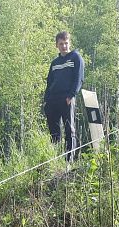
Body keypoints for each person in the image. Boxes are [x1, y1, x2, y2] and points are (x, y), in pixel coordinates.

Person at [43, 31, 85, 162]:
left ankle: (69, 160)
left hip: (67, 98)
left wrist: (71, 95)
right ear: (56, 45)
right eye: (61, 44)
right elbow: (49, 81)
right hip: (52, 100)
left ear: (69, 43)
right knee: (54, 131)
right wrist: (46, 100)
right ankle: (55, 159)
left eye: (66, 43)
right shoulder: (55, 63)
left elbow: (79, 78)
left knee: (69, 129)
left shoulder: (76, 57)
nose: (64, 46)